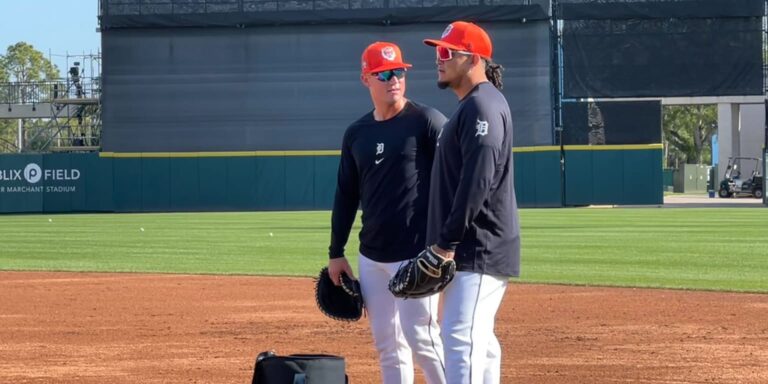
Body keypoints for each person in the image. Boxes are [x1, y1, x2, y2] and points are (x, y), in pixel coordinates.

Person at [327, 41, 448, 384]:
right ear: (366, 78)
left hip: (417, 255)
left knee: (422, 340)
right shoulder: (356, 134)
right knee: (388, 345)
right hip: (372, 258)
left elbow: (456, 180)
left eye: (399, 72)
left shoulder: (426, 121)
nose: (393, 79)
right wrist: (336, 252)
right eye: (383, 74)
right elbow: (346, 195)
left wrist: (444, 244)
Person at [422, 21, 521, 384]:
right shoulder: (473, 105)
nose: (439, 58)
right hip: (469, 248)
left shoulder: (482, 105)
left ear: (474, 59)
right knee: (479, 341)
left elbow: (477, 180)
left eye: (448, 52)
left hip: (476, 248)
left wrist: (445, 243)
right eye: (437, 51)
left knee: (460, 339)